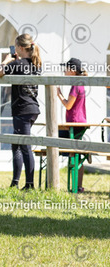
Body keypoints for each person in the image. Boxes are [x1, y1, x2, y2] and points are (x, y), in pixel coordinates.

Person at [0, 33, 42, 190]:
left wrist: (6, 61)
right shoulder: (36, 64)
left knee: (25, 146)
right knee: (17, 145)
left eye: (16, 46)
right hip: (32, 108)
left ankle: (29, 185)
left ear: (20, 48)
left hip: (22, 109)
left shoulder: (17, 64)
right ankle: (15, 182)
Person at [57, 57, 88, 192]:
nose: (64, 70)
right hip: (78, 123)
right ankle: (77, 186)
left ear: (73, 71)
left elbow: (68, 105)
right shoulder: (79, 83)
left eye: (66, 68)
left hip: (74, 123)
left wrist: (58, 94)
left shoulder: (75, 85)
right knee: (75, 155)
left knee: (58, 145)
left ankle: (75, 186)